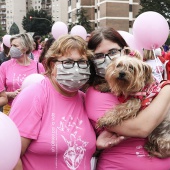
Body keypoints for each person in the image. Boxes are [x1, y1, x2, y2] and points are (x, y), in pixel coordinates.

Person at [85, 27, 170, 170]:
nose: (108, 59)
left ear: (124, 50)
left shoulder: (142, 85)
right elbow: (141, 128)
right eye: (99, 56)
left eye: (112, 52)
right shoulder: (96, 94)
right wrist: (167, 90)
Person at [10, 35, 96, 170]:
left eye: (82, 62)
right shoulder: (34, 95)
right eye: (68, 62)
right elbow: (11, 156)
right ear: (52, 64)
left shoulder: (85, 99)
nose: (76, 68)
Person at [0, 33, 45, 115]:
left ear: (25, 48)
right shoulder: (5, 66)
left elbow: (45, 90)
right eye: (11, 45)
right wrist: (12, 94)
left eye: (15, 45)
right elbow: (1, 93)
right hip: (10, 110)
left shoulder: (38, 66)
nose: (12, 48)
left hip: (32, 110)